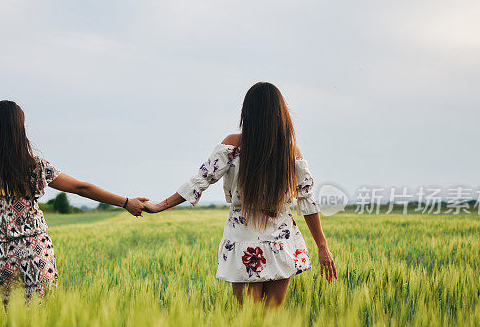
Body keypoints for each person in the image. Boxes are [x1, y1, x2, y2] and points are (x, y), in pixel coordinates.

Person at [143, 82, 337, 309]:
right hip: (281, 243)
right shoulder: (291, 152)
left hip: (244, 243)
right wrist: (322, 246)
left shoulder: (233, 145)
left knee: (248, 321)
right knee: (270, 321)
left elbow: (199, 181)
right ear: (281, 114)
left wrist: (160, 205)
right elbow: (308, 202)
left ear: (248, 112)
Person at [0, 100, 147, 305]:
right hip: (34, 253)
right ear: (20, 128)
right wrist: (126, 203)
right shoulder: (34, 166)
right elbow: (81, 188)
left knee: (1, 322)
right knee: (41, 316)